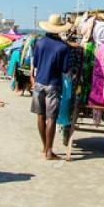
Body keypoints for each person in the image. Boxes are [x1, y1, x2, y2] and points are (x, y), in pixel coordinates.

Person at [30, 14, 71, 160]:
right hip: (53, 85)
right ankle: (49, 151)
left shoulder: (39, 43)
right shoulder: (63, 47)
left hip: (39, 83)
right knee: (51, 118)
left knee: (40, 116)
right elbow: (65, 70)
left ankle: (44, 147)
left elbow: (34, 65)